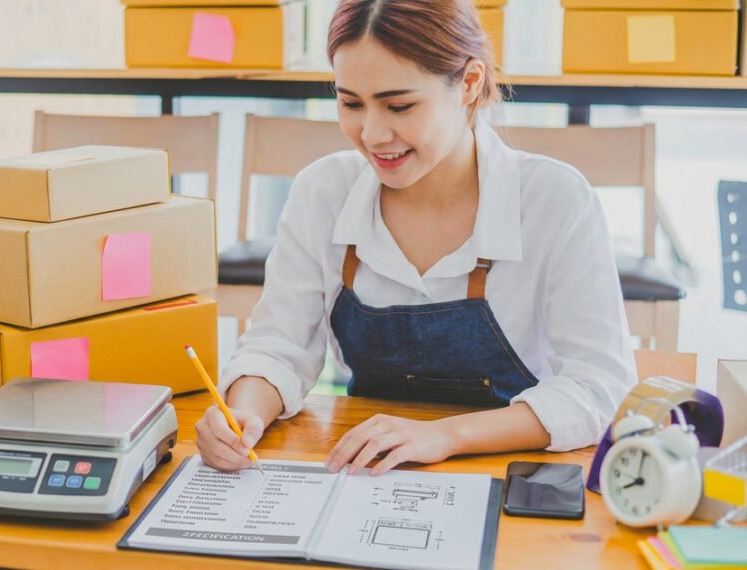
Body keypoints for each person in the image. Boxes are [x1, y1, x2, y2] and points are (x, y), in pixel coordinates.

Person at [196, 0, 637, 476]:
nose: (372, 134)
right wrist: (241, 414)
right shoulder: (322, 191)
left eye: (399, 106)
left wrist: (445, 434)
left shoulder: (555, 198)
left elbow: (598, 388)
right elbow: (278, 345)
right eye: (350, 103)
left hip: (516, 469)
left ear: (469, 83)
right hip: (368, 469)